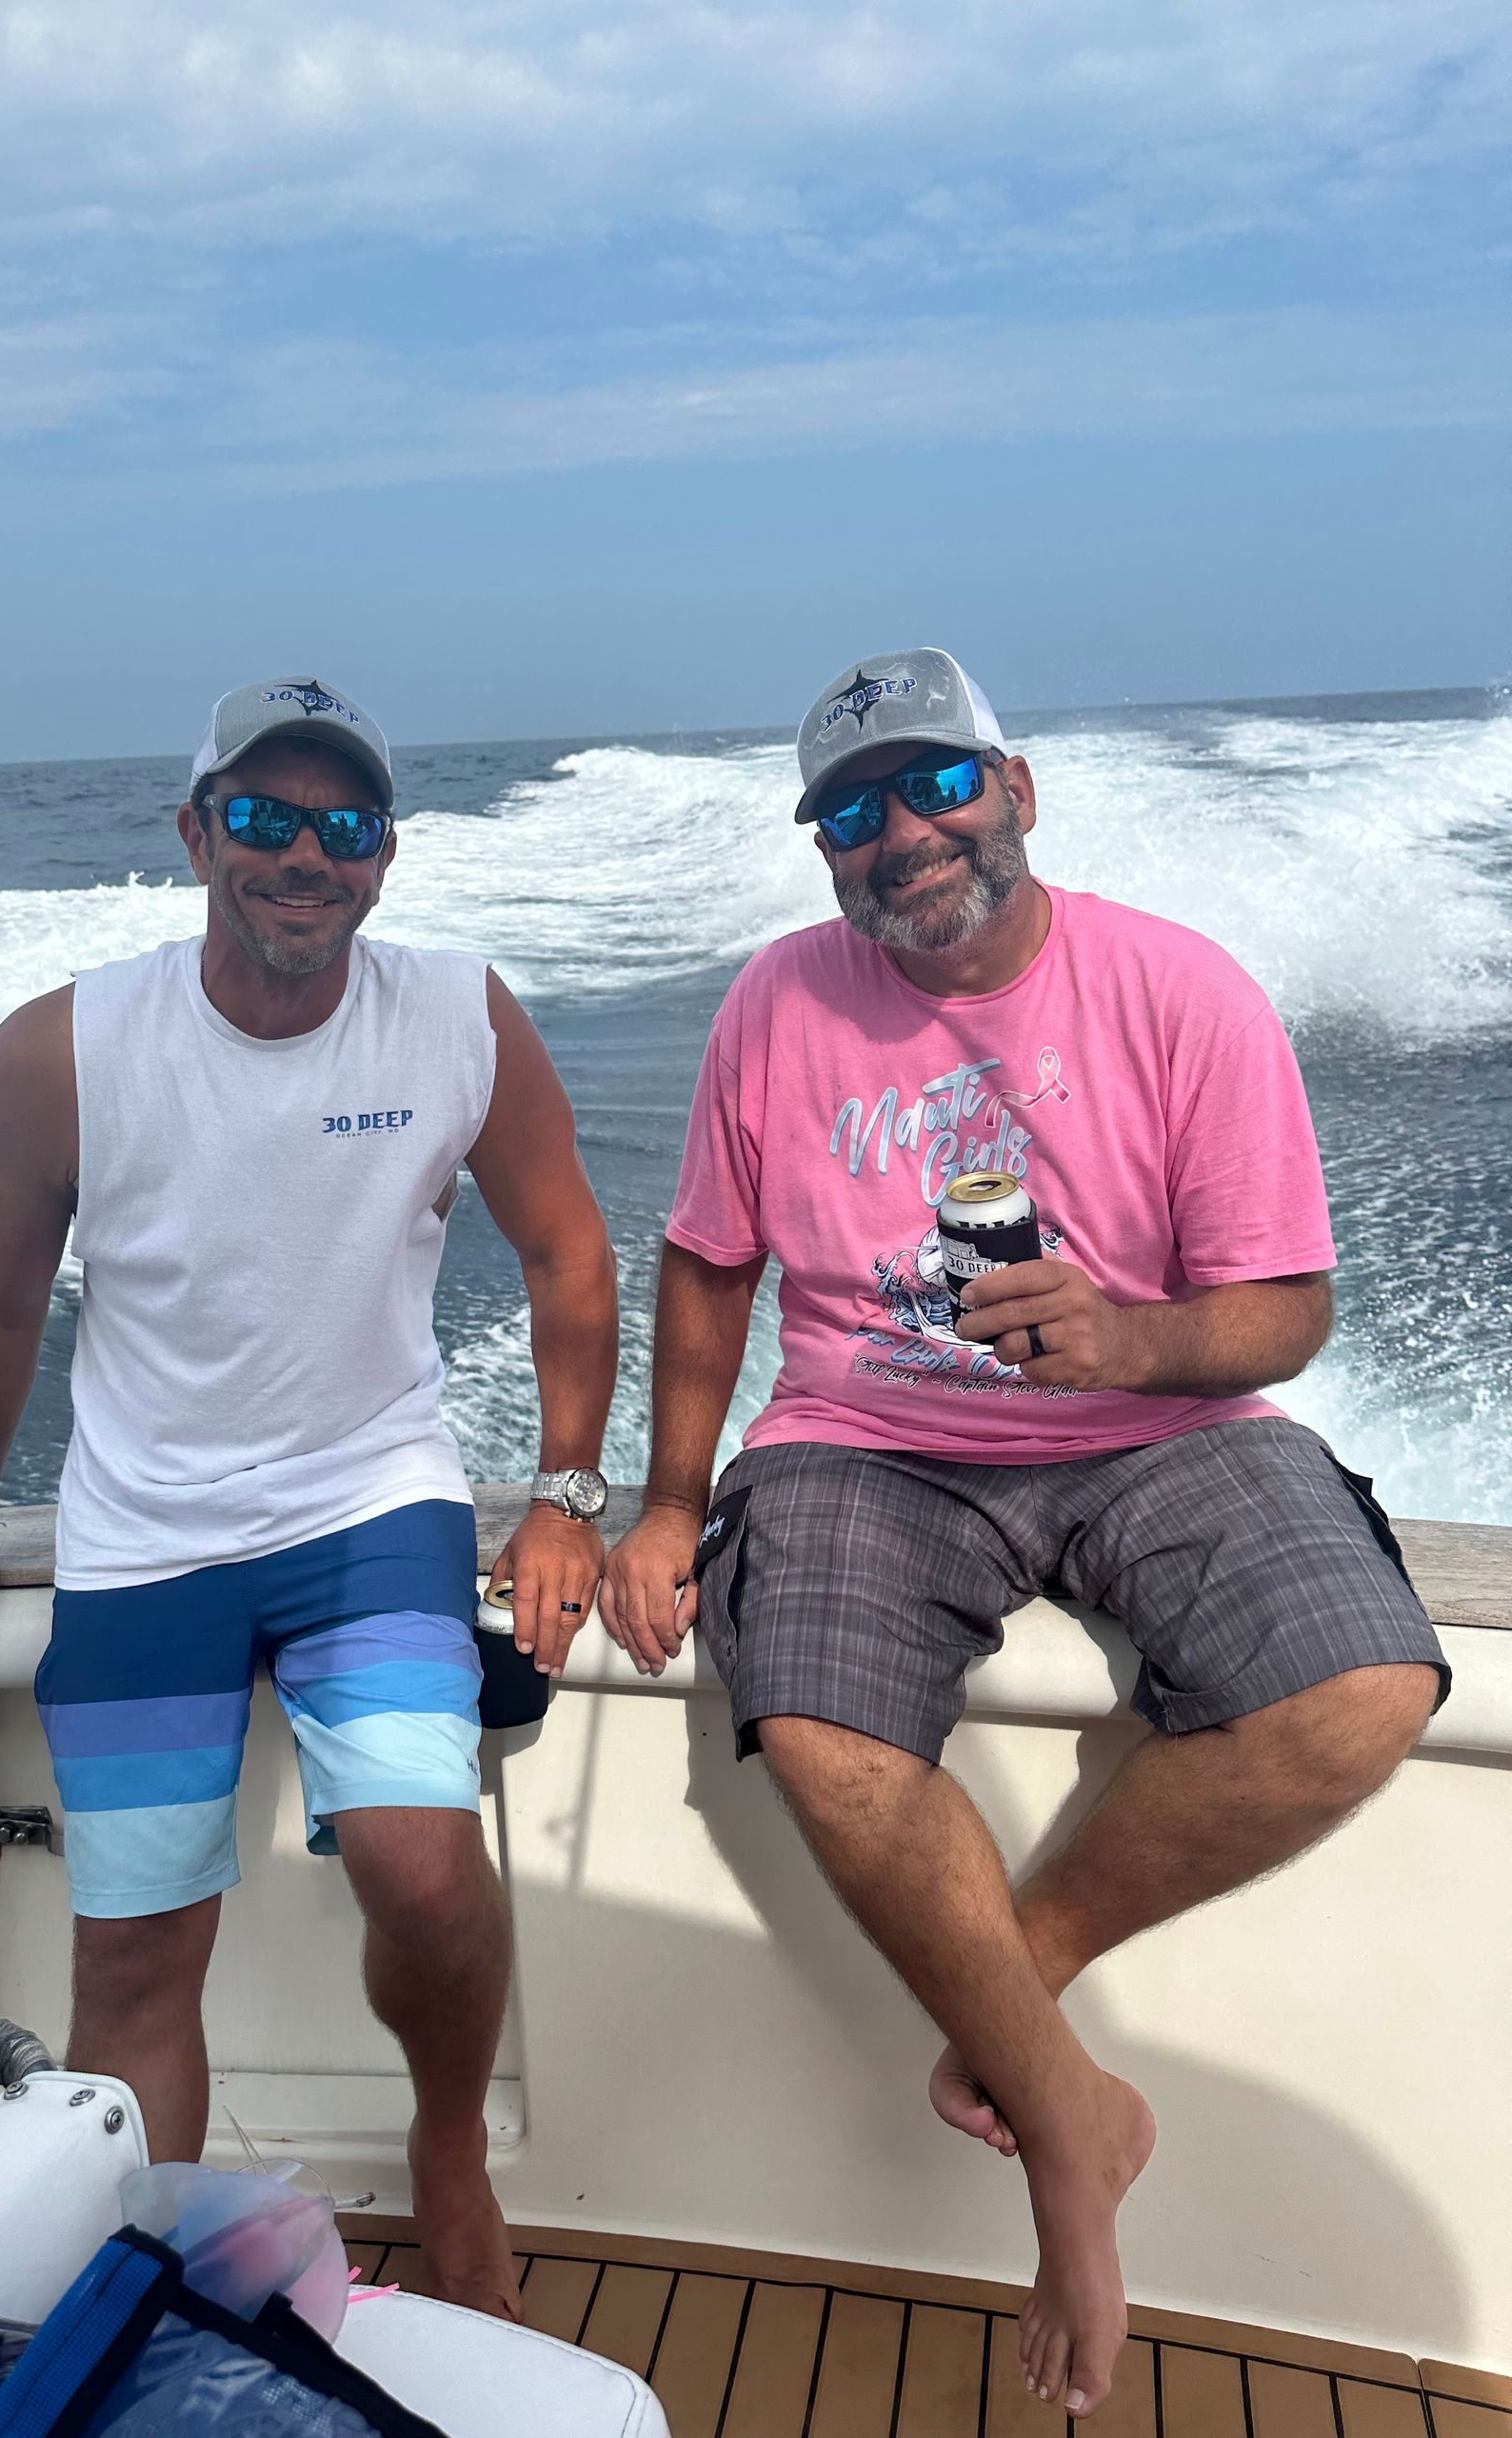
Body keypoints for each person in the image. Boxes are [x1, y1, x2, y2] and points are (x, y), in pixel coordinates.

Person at [599, 647, 1446, 2417]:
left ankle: (1017, 1993)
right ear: (821, 847)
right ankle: (1071, 2122)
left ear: (1019, 789)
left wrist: (1132, 1339)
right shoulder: (775, 1004)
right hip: (866, 1437)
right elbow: (706, 1257)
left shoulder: (1183, 991)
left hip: (1161, 1421)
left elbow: (1285, 1309)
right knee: (818, 1733)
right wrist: (670, 1496)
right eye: (848, 808)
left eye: (936, 786)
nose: (897, 833)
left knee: (1359, 1693)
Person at [0, 674, 618, 2319]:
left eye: (341, 828)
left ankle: (449, 2154)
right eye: (261, 819)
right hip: (148, 1538)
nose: (301, 858)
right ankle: (141, 2283)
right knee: (130, 1958)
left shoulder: (461, 1016)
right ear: (196, 834)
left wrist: (564, 1489)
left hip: (372, 1503)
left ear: (385, 859)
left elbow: (565, 1244)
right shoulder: (63, 1050)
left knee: (420, 1863)